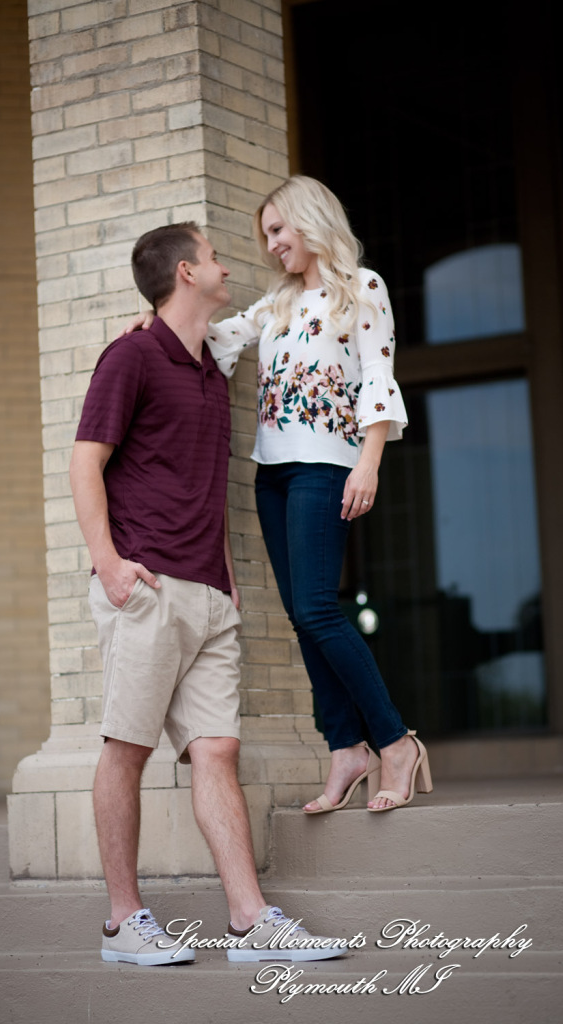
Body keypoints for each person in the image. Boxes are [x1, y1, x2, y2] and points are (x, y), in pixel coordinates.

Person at [69, 221, 345, 967]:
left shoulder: (209, 367)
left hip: (208, 594)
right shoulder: (129, 356)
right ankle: (124, 923)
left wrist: (225, 583)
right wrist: (109, 564)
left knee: (217, 750)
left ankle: (249, 921)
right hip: (147, 586)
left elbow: (202, 485)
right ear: (186, 272)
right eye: (216, 255)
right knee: (125, 750)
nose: (227, 265)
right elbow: (84, 463)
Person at [126, 177, 433, 816]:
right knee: (303, 616)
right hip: (274, 474)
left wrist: (369, 463)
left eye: (276, 232)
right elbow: (211, 336)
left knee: (320, 610)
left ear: (307, 221)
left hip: (328, 468)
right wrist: (151, 322)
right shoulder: (275, 306)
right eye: (266, 236)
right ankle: (346, 747)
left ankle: (395, 742)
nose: (270, 248)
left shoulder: (362, 289)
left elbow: (379, 377)